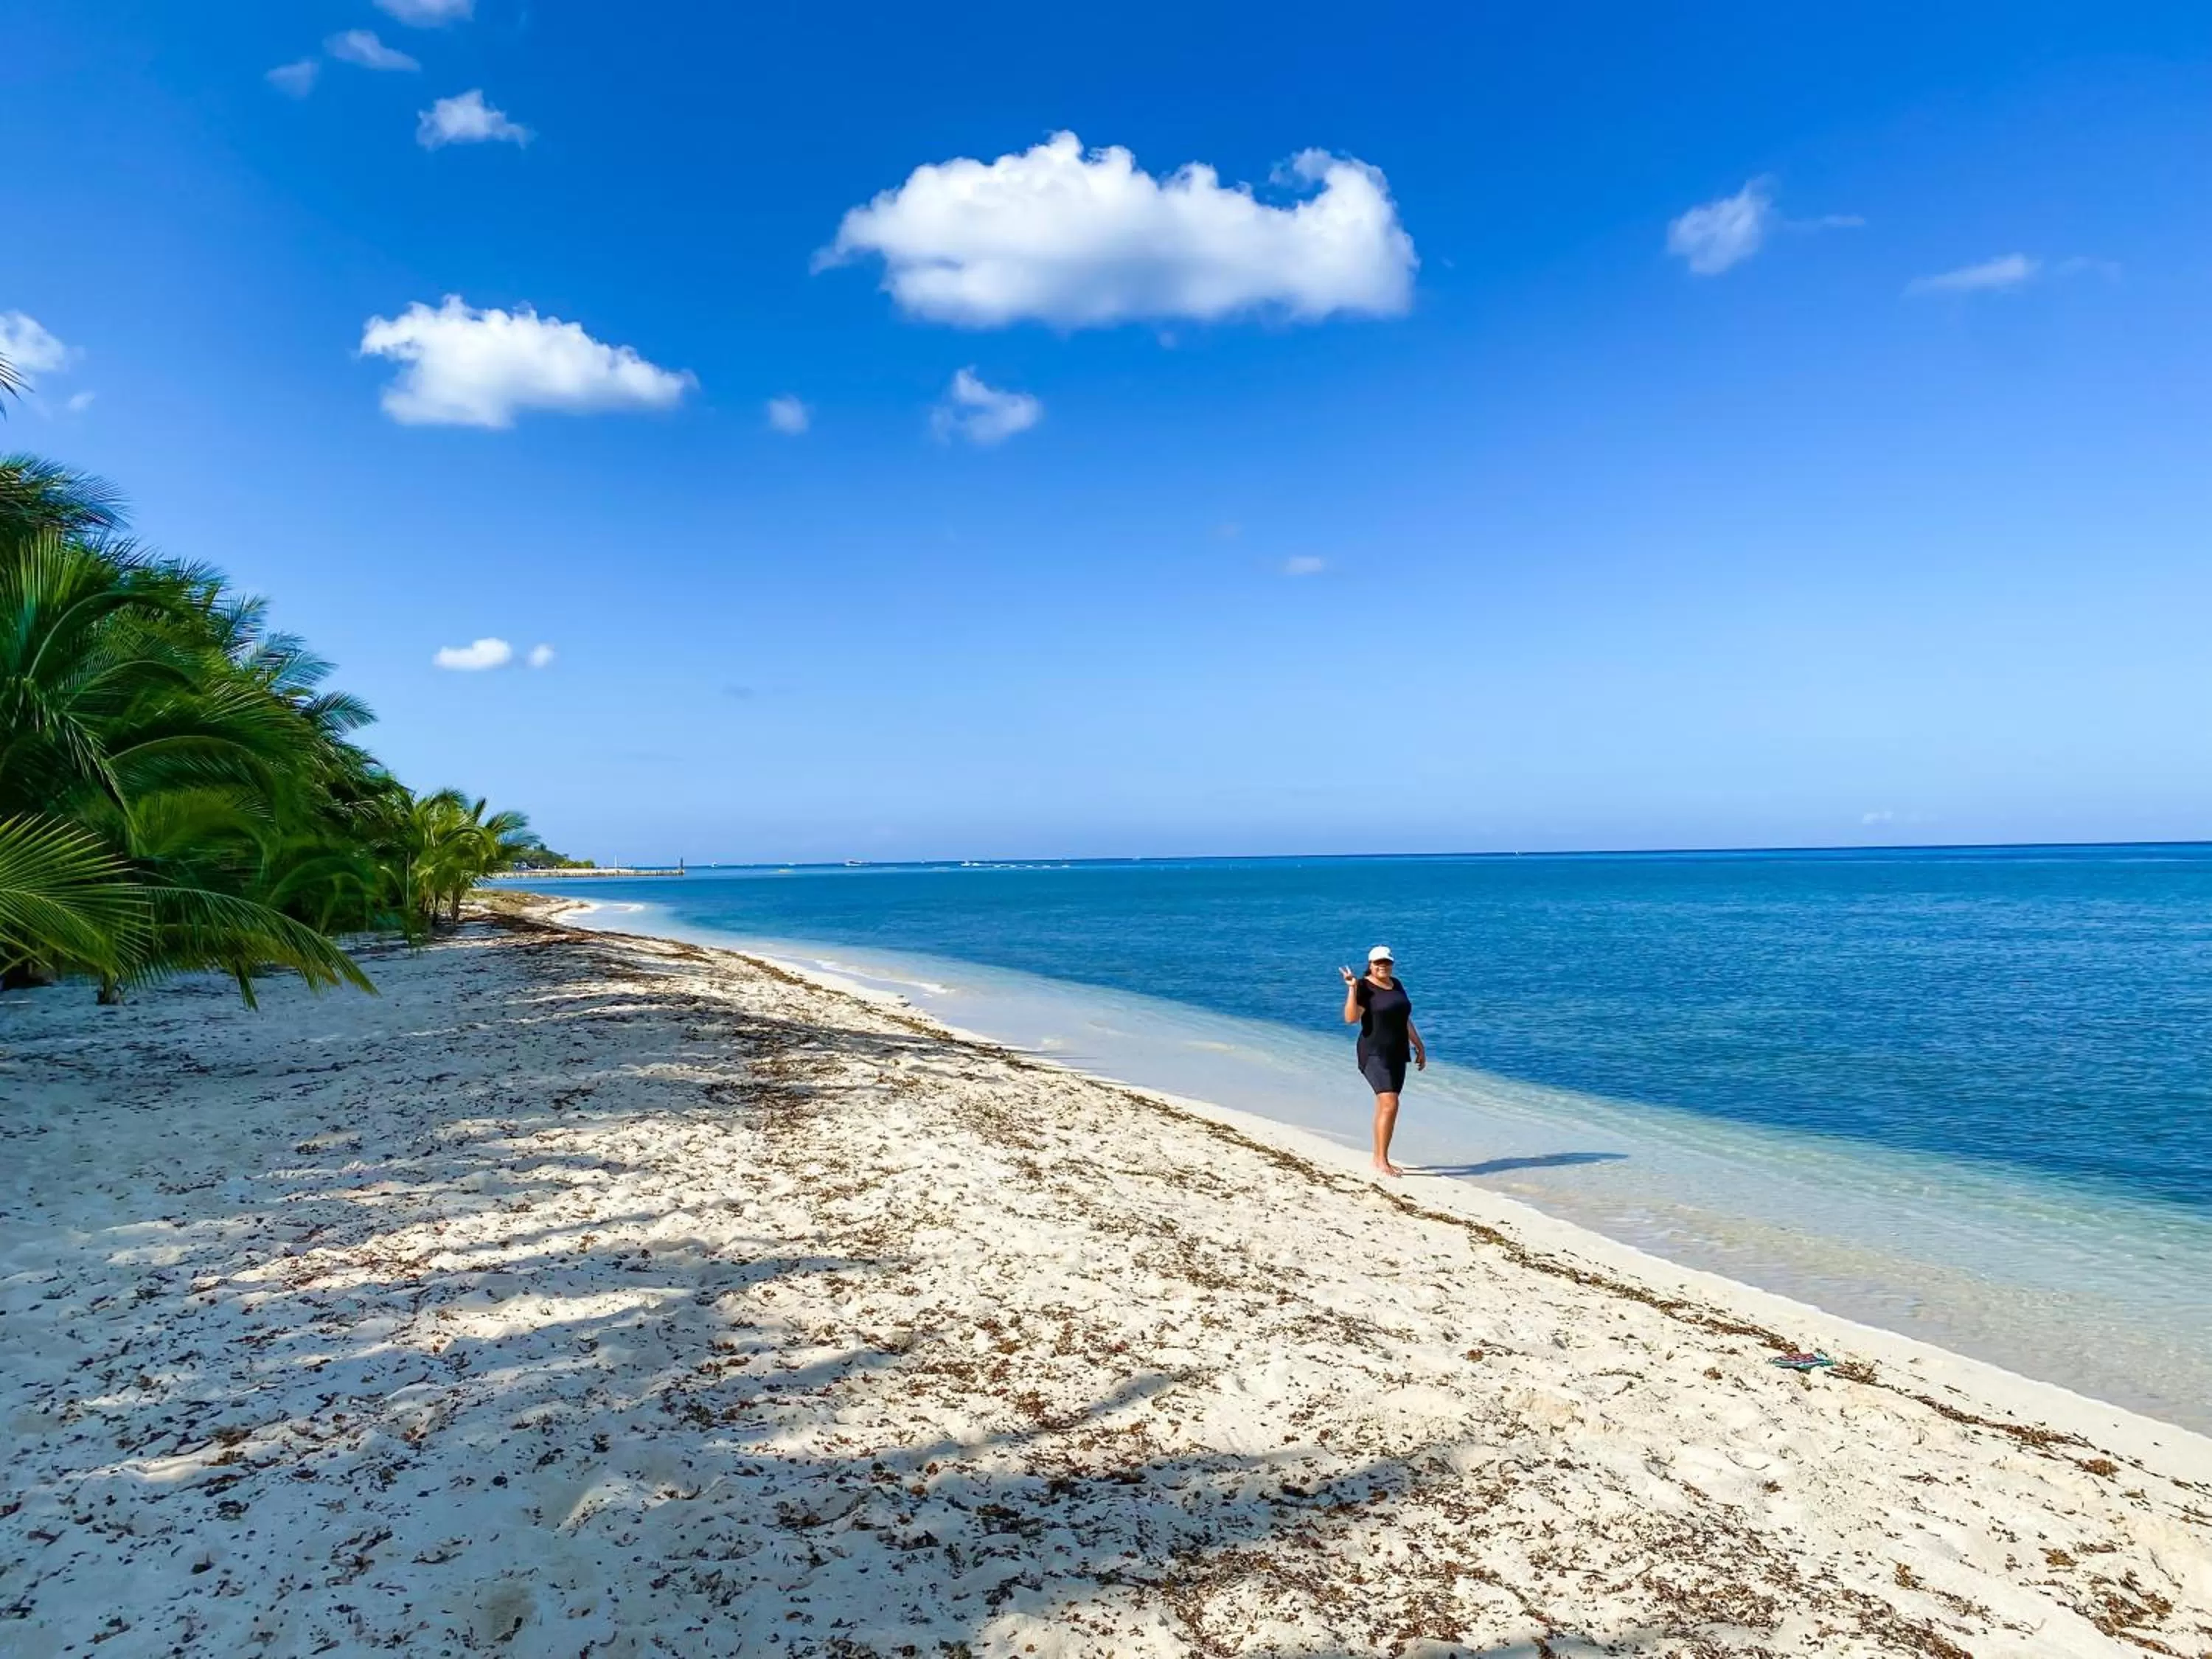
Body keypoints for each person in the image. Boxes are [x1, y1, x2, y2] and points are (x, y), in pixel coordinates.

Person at [1340, 945, 1425, 1177]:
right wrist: (1351, 989)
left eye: (1386, 962)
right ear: (1370, 964)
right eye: (1378, 963)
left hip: (1397, 1052)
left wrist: (1419, 1044)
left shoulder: (1396, 984)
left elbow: (1404, 1018)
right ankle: (1381, 1161)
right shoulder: (1363, 987)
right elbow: (1350, 1018)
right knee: (1390, 1103)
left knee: (1387, 1106)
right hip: (1374, 1052)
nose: (1383, 966)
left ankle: (1379, 1157)